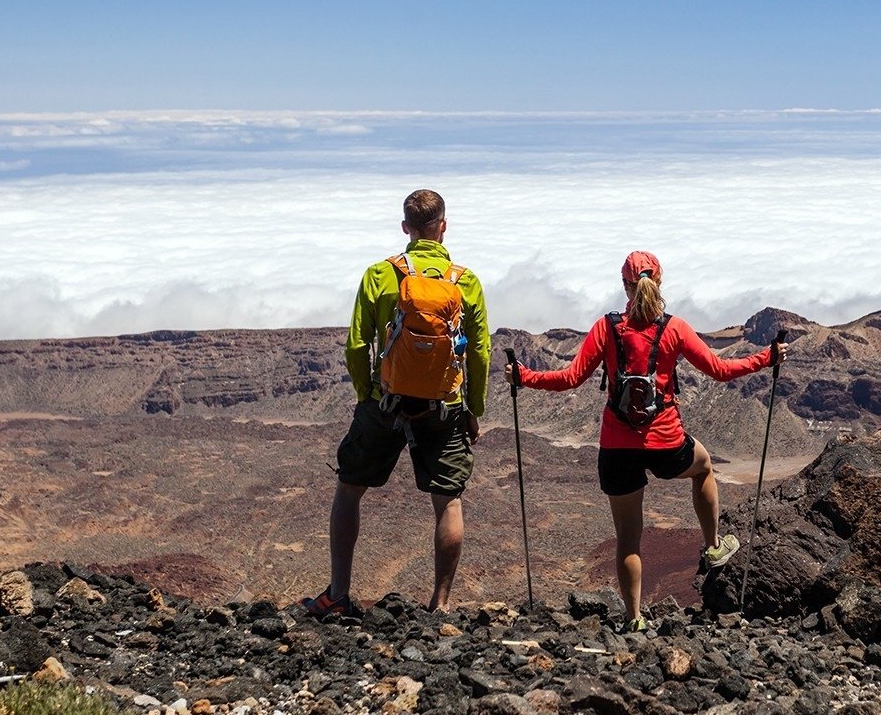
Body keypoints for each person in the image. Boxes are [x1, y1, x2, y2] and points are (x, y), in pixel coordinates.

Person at [507, 250, 785, 631]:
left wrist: (523, 376)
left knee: (627, 537)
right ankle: (713, 546)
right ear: (660, 282)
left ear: (625, 285)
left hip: (617, 447)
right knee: (703, 466)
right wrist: (766, 358)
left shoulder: (606, 328)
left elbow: (570, 378)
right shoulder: (674, 329)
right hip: (666, 442)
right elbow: (720, 370)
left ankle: (634, 619)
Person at [303, 189, 490, 616]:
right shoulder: (466, 282)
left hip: (384, 404)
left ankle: (338, 595)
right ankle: (440, 605)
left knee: (349, 490)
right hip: (444, 408)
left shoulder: (379, 275)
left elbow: (356, 345)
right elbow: (480, 352)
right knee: (448, 500)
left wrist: (367, 395)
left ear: (406, 228)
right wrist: (472, 409)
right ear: (444, 226)